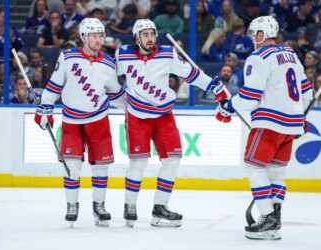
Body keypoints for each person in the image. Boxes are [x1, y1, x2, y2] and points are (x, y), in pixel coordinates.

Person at [115, 19, 230, 228]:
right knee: (138, 163)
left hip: (163, 115)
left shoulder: (167, 53)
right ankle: (129, 206)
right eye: (145, 34)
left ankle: (160, 208)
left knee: (173, 159)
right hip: (137, 116)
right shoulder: (122, 54)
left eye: (152, 34)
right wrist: (123, 104)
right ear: (136, 37)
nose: (150, 38)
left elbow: (191, 74)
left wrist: (214, 86)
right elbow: (111, 82)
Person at [216, 16, 313, 240]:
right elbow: (306, 90)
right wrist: (299, 118)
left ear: (261, 34)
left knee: (254, 168)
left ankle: (267, 216)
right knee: (277, 172)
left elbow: (250, 97)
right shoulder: (291, 55)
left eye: (253, 34)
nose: (252, 38)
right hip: (290, 126)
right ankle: (275, 218)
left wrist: (228, 106)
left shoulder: (258, 57)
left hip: (269, 124)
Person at [34, 18, 126, 227]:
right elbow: (54, 86)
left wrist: (133, 109)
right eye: (94, 35)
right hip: (72, 121)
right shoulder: (67, 57)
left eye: (101, 35)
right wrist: (45, 107)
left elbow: (116, 93)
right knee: (72, 167)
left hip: (99, 120)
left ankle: (99, 206)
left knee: (101, 167)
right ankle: (72, 205)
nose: (98, 39)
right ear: (83, 37)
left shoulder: (108, 63)